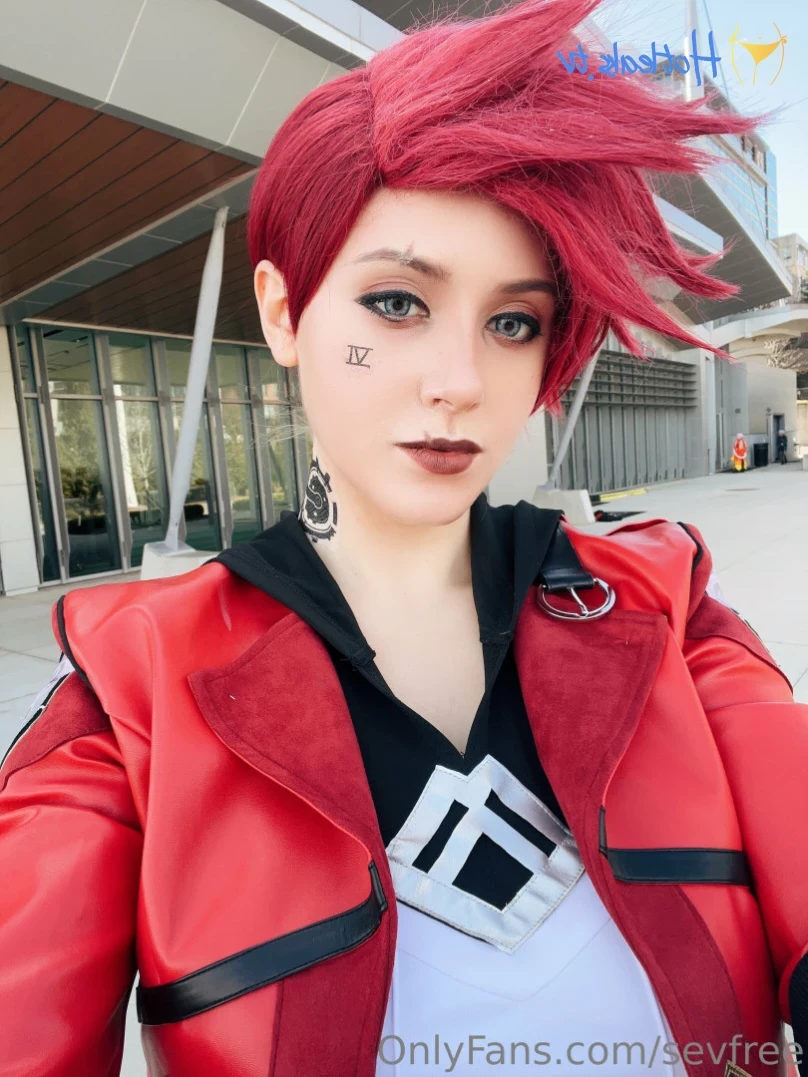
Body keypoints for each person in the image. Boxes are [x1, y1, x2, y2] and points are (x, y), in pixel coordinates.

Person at [1, 1, 807, 1075]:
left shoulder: (663, 608)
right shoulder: (131, 693)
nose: (460, 381)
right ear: (283, 314)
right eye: (396, 302)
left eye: (512, 322)